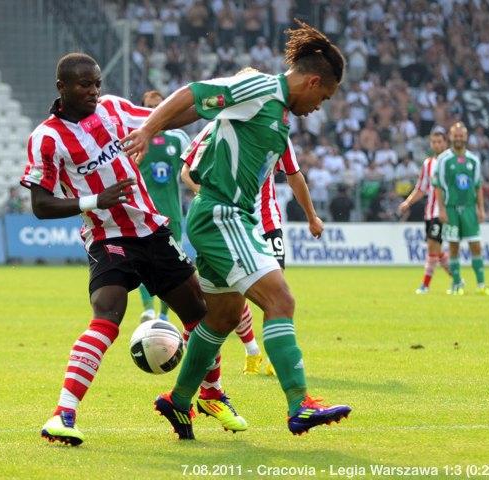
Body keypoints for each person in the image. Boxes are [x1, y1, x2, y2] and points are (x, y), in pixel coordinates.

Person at [123, 20, 351, 439]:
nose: (321, 105)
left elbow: (198, 109)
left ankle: (177, 401)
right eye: (325, 95)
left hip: (226, 215)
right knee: (280, 299)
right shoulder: (261, 89)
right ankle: (300, 403)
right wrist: (149, 129)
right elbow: (193, 92)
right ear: (314, 81)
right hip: (223, 214)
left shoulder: (278, 110)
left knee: (223, 318)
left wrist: (162, 124)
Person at [22, 53, 246, 447]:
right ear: (61, 88)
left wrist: (215, 101)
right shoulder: (47, 138)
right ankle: (63, 413)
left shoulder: (111, 109)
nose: (93, 91)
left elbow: (161, 116)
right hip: (107, 238)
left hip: (152, 231)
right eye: (83, 85)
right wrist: (96, 200)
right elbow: (40, 205)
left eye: (96, 83)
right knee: (107, 317)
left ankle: (211, 395)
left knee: (201, 317)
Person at [181, 99, 324, 378]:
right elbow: (186, 170)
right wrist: (206, 194)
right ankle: (251, 350)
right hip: (225, 221)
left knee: (275, 287)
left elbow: (294, 177)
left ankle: (273, 356)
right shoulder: (215, 128)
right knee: (233, 297)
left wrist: (311, 216)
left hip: (266, 221)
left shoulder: (275, 131)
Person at [136, 90, 191, 323]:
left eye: (159, 106)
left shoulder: (178, 138)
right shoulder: (137, 136)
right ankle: (148, 308)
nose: (154, 111)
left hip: (171, 213)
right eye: (149, 107)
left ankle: (164, 315)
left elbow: (192, 166)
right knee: (141, 262)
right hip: (143, 211)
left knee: (172, 265)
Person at [433, 122, 489, 296]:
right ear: (451, 137)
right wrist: (442, 210)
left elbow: (478, 186)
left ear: (466, 137)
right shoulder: (443, 160)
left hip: (469, 208)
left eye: (461, 135)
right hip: (451, 208)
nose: (458, 138)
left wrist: (481, 209)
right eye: (455, 135)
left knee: (475, 246)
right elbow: (438, 186)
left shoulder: (473, 160)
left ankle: (481, 285)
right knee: (454, 246)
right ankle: (456, 285)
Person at [398, 130, 451, 294]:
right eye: (434, 142)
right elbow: (421, 189)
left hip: (444, 212)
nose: (436, 145)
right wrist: (407, 202)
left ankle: (425, 285)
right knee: (437, 249)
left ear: (445, 143)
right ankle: (457, 279)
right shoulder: (428, 164)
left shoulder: (451, 162)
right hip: (430, 211)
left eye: (439, 142)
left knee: (432, 247)